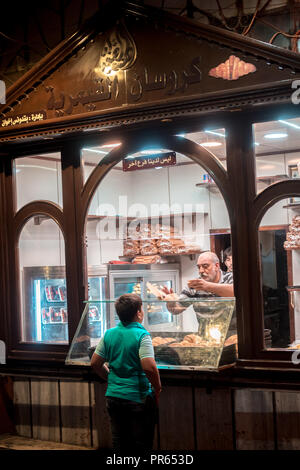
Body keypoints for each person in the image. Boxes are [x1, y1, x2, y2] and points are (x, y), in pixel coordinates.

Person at [91, 293, 161, 454]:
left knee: (119, 442)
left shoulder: (109, 334)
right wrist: (157, 387)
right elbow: (149, 366)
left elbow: (95, 363)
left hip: (114, 397)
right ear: (138, 313)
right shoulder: (142, 335)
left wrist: (110, 378)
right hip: (137, 397)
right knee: (140, 444)